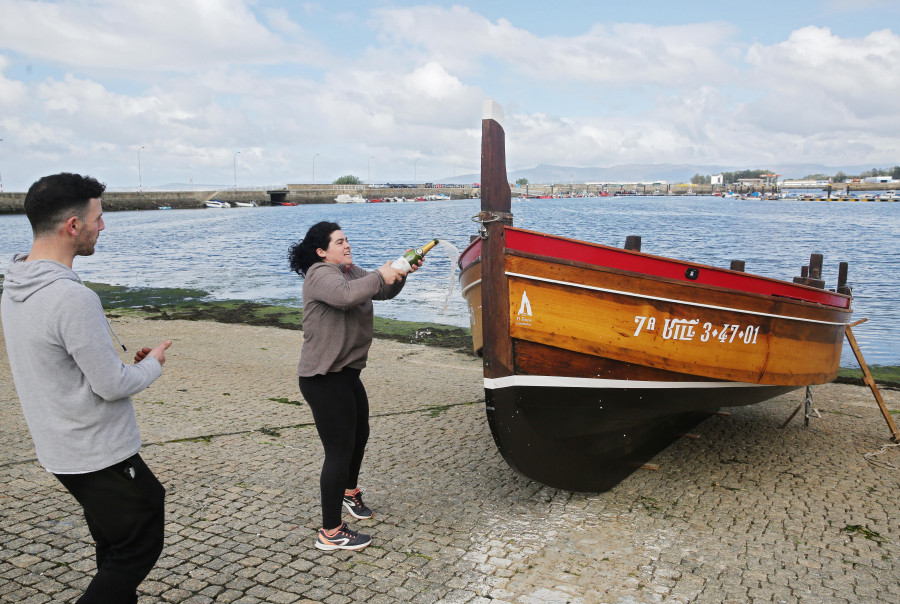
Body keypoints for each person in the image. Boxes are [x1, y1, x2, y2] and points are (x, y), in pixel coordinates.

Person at [0, 173, 173, 604]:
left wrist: (117, 366)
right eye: (98, 217)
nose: (103, 226)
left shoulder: (15, 283)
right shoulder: (71, 298)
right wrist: (153, 364)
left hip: (59, 448)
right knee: (138, 543)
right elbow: (112, 386)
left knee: (112, 541)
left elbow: (60, 363)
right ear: (72, 226)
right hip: (97, 452)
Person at [288, 221, 421, 551]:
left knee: (360, 434)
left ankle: (349, 493)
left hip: (346, 374)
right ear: (322, 252)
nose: (346, 245)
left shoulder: (348, 270)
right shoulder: (321, 274)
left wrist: (400, 274)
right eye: (339, 242)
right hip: (323, 378)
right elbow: (347, 298)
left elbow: (382, 290)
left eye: (346, 240)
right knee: (337, 451)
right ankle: (330, 532)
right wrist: (381, 273)